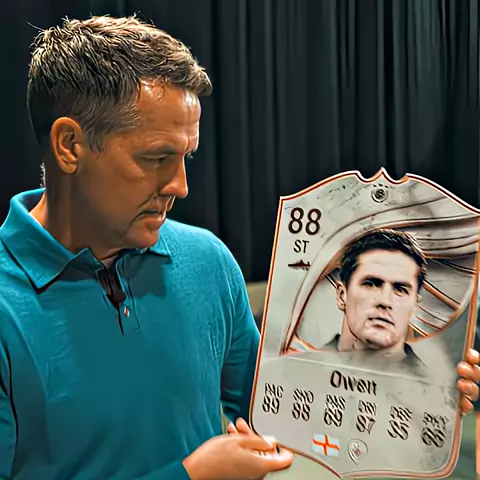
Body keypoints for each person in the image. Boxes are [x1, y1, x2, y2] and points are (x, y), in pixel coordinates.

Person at [0, 14, 476, 480]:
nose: (181, 185)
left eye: (185, 157)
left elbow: (288, 412)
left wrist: (413, 394)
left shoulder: (208, 262)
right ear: (70, 145)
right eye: (157, 157)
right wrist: (192, 477)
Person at [328, 229, 426, 367]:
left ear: (415, 306)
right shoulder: (299, 370)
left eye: (400, 289)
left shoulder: (438, 380)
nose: (385, 301)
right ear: (342, 295)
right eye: (371, 284)